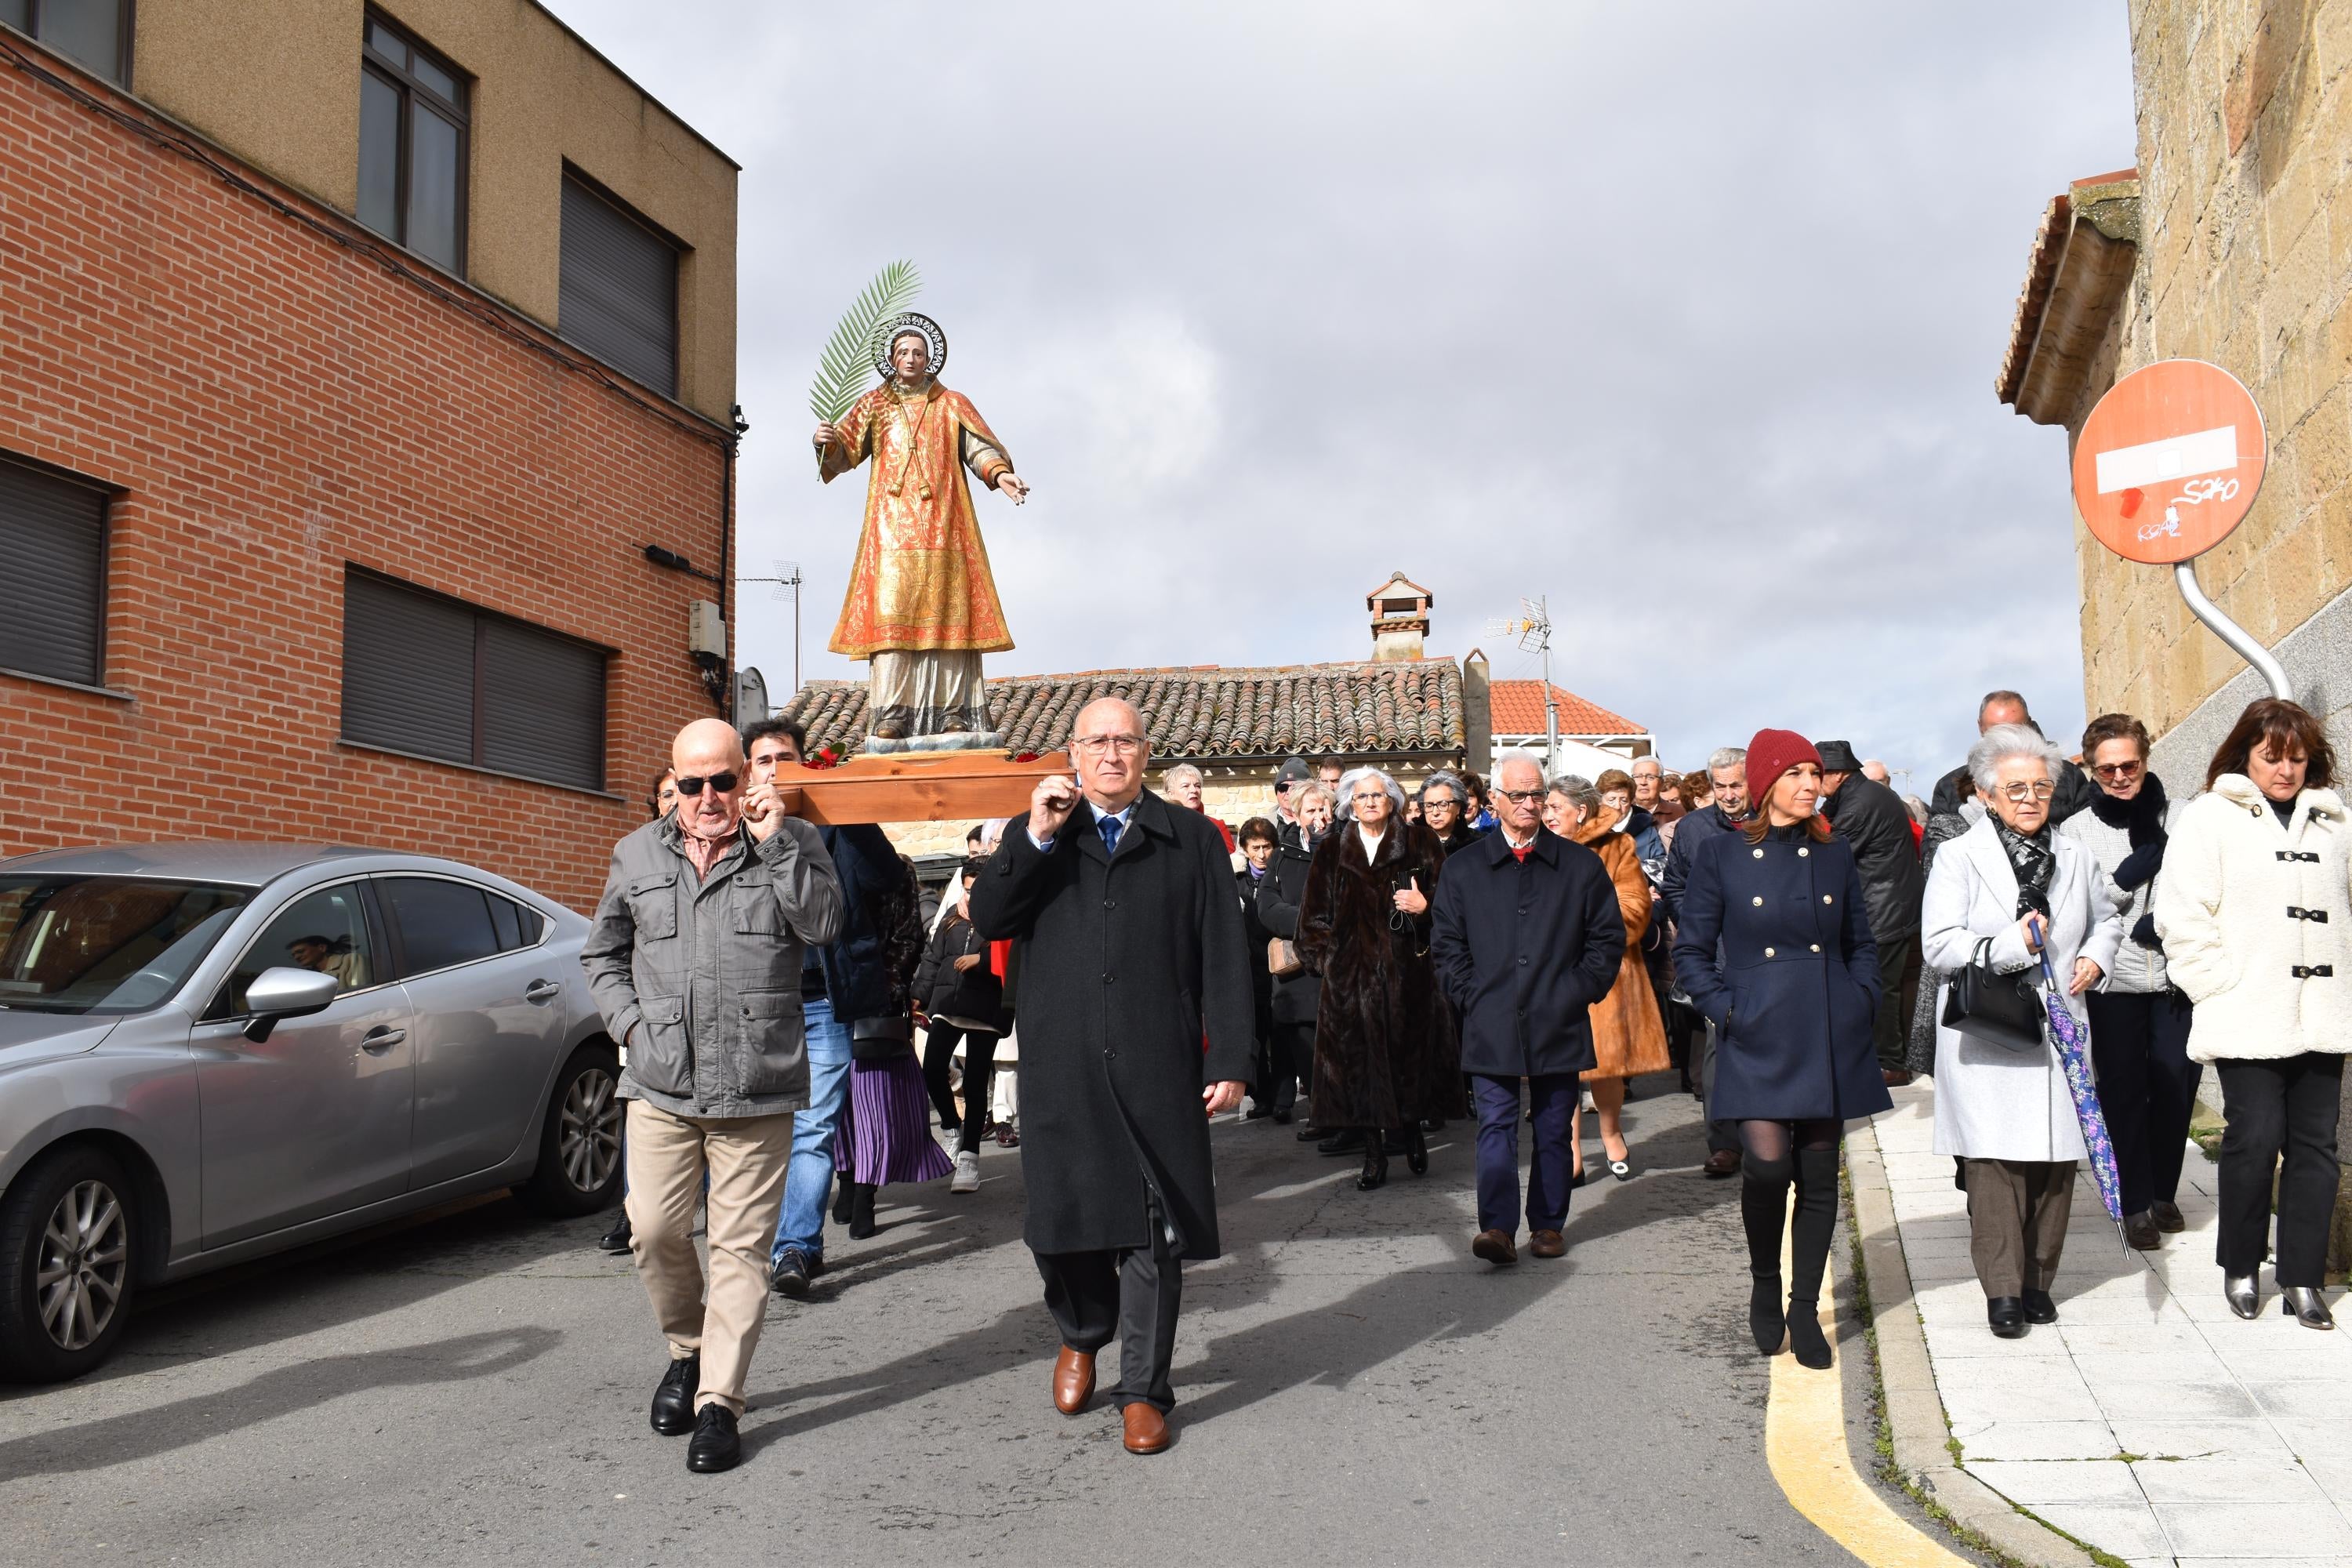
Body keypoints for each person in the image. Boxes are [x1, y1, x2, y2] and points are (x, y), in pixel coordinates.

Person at [968, 697, 1254, 1456]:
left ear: (1145, 752)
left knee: (1151, 1228)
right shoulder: (1040, 835)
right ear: (1073, 751)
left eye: (1125, 740)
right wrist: (1033, 833)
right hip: (1063, 1061)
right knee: (1061, 1224)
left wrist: (1229, 1056)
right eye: (1097, 740)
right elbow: (993, 916)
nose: (1111, 753)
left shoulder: (1189, 837)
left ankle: (1143, 1389)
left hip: (1158, 1058)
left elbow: (1225, 951)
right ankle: (1082, 1330)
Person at [582, 718, 844, 1472]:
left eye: (722, 781)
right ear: (674, 782)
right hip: (661, 1083)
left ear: (746, 779)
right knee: (654, 1232)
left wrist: (776, 840)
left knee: (739, 1253)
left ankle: (719, 1403)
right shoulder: (637, 854)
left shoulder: (794, 842)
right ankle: (687, 1350)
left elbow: (823, 926)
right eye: (691, 783)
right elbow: (603, 953)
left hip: (757, 1084)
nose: (706, 797)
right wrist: (629, 1025)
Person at [1675, 729, 1889, 1370]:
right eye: (1795, 773)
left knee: (1819, 1174)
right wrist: (1726, 1010)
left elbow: (1861, 943)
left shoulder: (1836, 853)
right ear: (1768, 783)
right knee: (1767, 1165)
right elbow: (1690, 951)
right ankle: (1765, 1280)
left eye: (1814, 773)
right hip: (1756, 1029)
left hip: (1827, 1024)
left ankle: (1803, 1305)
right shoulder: (1721, 854)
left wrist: (1861, 1001)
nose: (1809, 784)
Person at [2155, 698, 2352, 1330]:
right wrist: (2218, 986)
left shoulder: (2335, 822)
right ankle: (2241, 1265)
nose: (2286, 770)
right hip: (2247, 1011)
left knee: (2316, 1149)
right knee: (2254, 1138)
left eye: (2297, 758)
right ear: (2246, 753)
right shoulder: (2210, 817)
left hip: (2323, 1010)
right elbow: (2181, 913)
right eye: (2272, 757)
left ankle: (2301, 1278)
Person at [1922, 724, 2121, 1340]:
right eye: (2015, 789)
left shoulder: (2078, 855)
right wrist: (2011, 944)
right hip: (1988, 1030)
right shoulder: (1959, 855)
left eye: (2040, 786)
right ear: (1985, 794)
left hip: (2060, 1028)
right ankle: (2003, 1290)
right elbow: (1938, 946)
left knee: (2056, 1164)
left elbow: (2108, 916)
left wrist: (2098, 955)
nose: (2030, 798)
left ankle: (2039, 1281)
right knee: (1995, 1166)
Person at [1432, 754, 1624, 1266]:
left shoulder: (1580, 865)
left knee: (1554, 1124)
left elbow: (1607, 942)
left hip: (1558, 1018)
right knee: (1495, 1124)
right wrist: (1473, 994)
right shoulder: (1463, 868)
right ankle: (1496, 1226)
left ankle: (1547, 1225)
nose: (1528, 804)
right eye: (1517, 795)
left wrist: (1574, 991)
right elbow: (1447, 948)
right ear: (1495, 800)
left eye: (1536, 794)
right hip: (1490, 1019)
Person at [743, 718, 910, 1301]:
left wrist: (845, 806)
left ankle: (796, 1248)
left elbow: (890, 878)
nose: (774, 771)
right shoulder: (729, 832)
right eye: (764, 760)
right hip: (753, 1011)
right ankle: (747, 1243)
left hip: (822, 1001)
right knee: (757, 1130)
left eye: (786, 759)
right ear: (748, 771)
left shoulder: (836, 826)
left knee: (814, 1129)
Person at [812, 314, 1028, 747]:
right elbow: (844, 451)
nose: (910, 359)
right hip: (891, 531)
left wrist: (1000, 475)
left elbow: (977, 447)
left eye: (918, 352)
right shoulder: (875, 403)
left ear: (930, 359)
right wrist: (825, 441)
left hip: (945, 524)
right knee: (891, 617)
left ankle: (953, 715)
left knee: (949, 616)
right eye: (903, 352)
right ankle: (892, 714)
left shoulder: (951, 403)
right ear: (892, 359)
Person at [2057, 713, 2196, 1250]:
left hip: (2176, 975)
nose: (2119, 776)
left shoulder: (2181, 817)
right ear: (2092, 769)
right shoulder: (2076, 831)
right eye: (2107, 767)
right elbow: (2080, 911)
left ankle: (2164, 1190)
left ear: (2146, 759)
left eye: (2129, 765)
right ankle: (2134, 1202)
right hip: (2113, 982)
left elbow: (2203, 886)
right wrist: (2121, 884)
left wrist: (2165, 924)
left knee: (2174, 1087)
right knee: (2122, 1092)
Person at [1295, 767, 1464, 1189]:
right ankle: (1373, 1155)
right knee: (1360, 1067)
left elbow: (1454, 905)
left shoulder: (1421, 842)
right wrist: (1327, 960)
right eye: (1361, 797)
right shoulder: (1333, 849)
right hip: (1349, 982)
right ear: (1350, 804)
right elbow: (1312, 917)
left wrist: (1426, 906)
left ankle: (1410, 1133)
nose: (1369, 802)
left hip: (1409, 974)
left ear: (1393, 801)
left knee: (1408, 1061)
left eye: (1377, 795)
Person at [1547, 775, 1671, 1181]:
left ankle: (1611, 1129)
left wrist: (1580, 920)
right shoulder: (1537, 850)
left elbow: (1635, 908)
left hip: (1608, 972)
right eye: (1545, 807)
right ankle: (1569, 1148)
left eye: (1554, 808)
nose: (1546, 815)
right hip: (1551, 972)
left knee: (1606, 1065)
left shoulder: (1618, 847)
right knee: (1558, 1066)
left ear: (1580, 811)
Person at [831, 854, 950, 1234]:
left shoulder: (893, 872)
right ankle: (848, 1184)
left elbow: (909, 939)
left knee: (873, 1105)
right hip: (825, 1003)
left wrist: (886, 989)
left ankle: (864, 1193)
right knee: (838, 1105)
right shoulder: (823, 863)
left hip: (875, 1006)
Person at [1663, 746, 1752, 1178]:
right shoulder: (1693, 829)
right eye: (1721, 786)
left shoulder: (1776, 820)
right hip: (1717, 958)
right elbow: (1675, 886)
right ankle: (1724, 1145)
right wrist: (1697, 929)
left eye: (1737, 785)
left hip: (1771, 958)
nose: (1729, 794)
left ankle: (1774, 1133)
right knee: (1719, 1053)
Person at [1816, 739, 1927, 1087]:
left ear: (1836, 774)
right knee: (1884, 987)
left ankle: (1890, 1063)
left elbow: (1833, 854)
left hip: (1883, 908)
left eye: (1817, 775)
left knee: (1879, 988)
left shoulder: (1860, 803)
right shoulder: (1860, 795)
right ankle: (1887, 1059)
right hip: (1887, 904)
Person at [917, 859, 1007, 1192]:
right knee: (932, 1068)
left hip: (986, 1008)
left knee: (974, 1082)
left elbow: (1015, 955)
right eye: (966, 890)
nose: (969, 897)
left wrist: (981, 961)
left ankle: (969, 1159)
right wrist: (918, 995)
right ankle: (952, 1127)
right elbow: (932, 958)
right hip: (947, 1004)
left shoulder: (1004, 915)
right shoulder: (952, 916)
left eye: (976, 891)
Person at [1258, 782, 1335, 1139]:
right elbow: (1268, 908)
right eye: (1311, 811)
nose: (1319, 817)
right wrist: (1311, 920)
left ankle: (1345, 1118)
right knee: (1305, 1048)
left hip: (1336, 968)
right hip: (1298, 971)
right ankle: (1322, 1114)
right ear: (1298, 815)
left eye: (1324, 810)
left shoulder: (1343, 849)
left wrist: (1310, 919)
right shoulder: (1283, 855)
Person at [1930, 691, 2096, 825]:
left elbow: (2087, 831)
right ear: (1980, 727)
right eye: (1997, 732)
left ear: (2029, 725)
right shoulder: (1949, 788)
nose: (2007, 740)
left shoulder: (2068, 776)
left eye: (2015, 730)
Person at [1235, 818, 1283, 1120]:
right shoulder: (1236, 881)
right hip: (1249, 969)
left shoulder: (1282, 876)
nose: (1262, 854)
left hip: (1281, 967)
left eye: (1267, 847)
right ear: (1245, 849)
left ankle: (1281, 1098)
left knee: (1280, 1038)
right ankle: (1262, 1096)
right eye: (1256, 848)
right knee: (1255, 1034)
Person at [1165, 763, 1235, 851]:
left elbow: (1229, 860)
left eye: (1197, 786)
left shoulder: (1216, 826)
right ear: (1171, 794)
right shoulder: (1162, 826)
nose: (1194, 790)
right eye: (1185, 786)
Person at [1419, 771, 1480, 855]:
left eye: (1443, 805)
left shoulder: (1477, 843)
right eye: (1429, 805)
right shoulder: (1412, 844)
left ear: (1459, 807)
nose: (1435, 812)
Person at [1272, 756, 1313, 848]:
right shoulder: (1264, 824)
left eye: (1296, 787)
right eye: (1283, 788)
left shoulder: (1320, 822)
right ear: (1276, 792)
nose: (1289, 792)